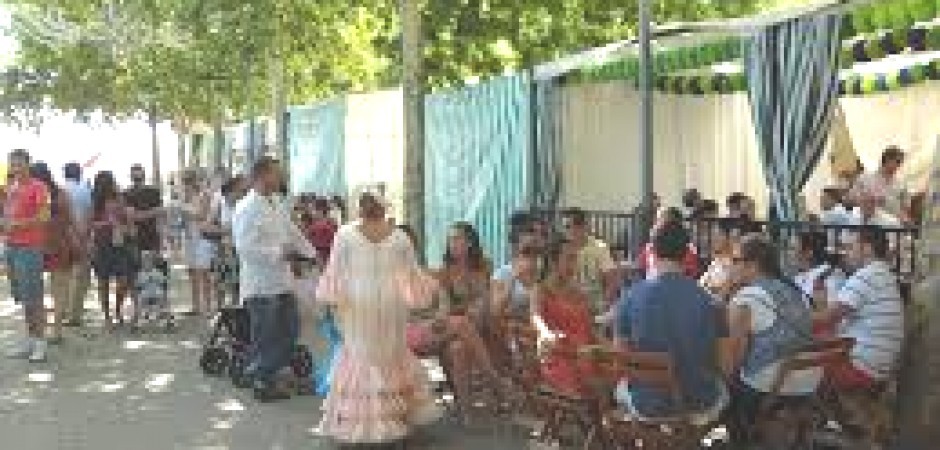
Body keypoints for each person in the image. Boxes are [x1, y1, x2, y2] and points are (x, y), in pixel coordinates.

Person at [316, 191, 441, 444]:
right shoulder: (400, 237)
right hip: (391, 303)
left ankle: (364, 424)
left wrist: (331, 304)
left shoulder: (346, 234)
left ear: (360, 209)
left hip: (358, 303)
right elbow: (412, 274)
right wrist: (426, 294)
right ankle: (394, 418)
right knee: (391, 355)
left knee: (361, 356)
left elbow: (335, 272)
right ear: (384, 209)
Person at [614, 222, 728, 424]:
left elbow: (621, 358)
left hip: (647, 404)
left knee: (620, 389)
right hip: (700, 403)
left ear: (652, 252)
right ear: (686, 254)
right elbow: (725, 365)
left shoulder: (630, 297)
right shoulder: (711, 301)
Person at [233, 157, 317, 401]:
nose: (281, 177)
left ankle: (263, 372)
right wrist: (278, 253)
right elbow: (244, 248)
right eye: (277, 173)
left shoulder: (278, 202)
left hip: (282, 281)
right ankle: (262, 380)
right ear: (263, 176)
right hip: (260, 285)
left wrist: (312, 254)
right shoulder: (246, 207)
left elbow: (293, 232)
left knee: (290, 332)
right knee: (266, 336)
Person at [726, 235, 819, 443]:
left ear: (752, 265)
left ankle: (742, 441)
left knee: (725, 394)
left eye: (734, 260)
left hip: (776, 384)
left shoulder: (747, 298)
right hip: (809, 379)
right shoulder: (793, 289)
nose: (730, 266)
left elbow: (735, 357)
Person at [814, 226, 904, 391]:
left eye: (850, 247)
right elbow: (832, 318)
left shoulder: (867, 275)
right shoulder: (883, 273)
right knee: (816, 336)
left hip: (861, 367)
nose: (846, 253)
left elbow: (828, 317)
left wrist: (794, 316)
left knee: (793, 362)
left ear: (867, 248)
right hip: (877, 365)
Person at [533, 236, 611, 396]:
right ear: (553, 262)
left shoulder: (578, 293)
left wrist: (613, 349)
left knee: (619, 373)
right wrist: (545, 333)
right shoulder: (540, 290)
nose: (574, 265)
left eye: (575, 259)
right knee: (595, 383)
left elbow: (591, 330)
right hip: (560, 357)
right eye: (569, 259)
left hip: (587, 355)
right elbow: (536, 318)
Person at [4, 149, 52, 362]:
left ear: (27, 164)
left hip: (30, 248)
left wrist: (17, 224)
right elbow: (8, 215)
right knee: (24, 297)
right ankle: (30, 340)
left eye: (19, 163)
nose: (15, 167)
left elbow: (44, 216)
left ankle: (40, 343)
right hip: (12, 247)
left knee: (34, 297)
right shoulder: (12, 188)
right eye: (12, 164)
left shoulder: (39, 187)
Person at [31, 163, 80, 344]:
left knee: (36, 291)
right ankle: (57, 331)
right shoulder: (61, 194)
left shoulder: (33, 194)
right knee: (60, 290)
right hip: (60, 245)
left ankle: (39, 329)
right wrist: (80, 240)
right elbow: (71, 220)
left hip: (36, 245)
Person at [90, 171, 135, 329]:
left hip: (119, 244)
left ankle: (118, 310)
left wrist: (125, 221)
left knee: (123, 280)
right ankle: (107, 316)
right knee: (103, 282)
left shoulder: (119, 198)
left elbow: (128, 222)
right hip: (101, 245)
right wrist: (106, 223)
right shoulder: (94, 201)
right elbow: (91, 224)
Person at [561, 207, 620, 317]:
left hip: (593, 306)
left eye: (568, 226)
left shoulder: (599, 248)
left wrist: (603, 306)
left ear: (582, 227)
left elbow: (612, 280)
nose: (566, 231)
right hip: (566, 307)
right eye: (564, 227)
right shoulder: (560, 249)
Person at [62, 162, 92, 327]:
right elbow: (89, 216)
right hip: (81, 236)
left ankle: (63, 310)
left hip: (63, 239)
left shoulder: (60, 190)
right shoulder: (84, 190)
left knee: (63, 276)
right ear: (79, 173)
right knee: (80, 277)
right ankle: (75, 314)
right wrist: (85, 238)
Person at [181, 175, 215, 315]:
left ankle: (208, 306)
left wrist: (185, 211)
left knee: (204, 272)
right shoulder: (185, 198)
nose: (186, 186)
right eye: (185, 183)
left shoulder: (204, 195)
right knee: (192, 272)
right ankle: (195, 306)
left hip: (202, 238)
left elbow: (202, 215)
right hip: (189, 238)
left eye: (188, 183)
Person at [636, 206, 700, 280]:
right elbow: (640, 266)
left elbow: (692, 273)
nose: (655, 224)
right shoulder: (648, 248)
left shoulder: (689, 251)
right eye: (656, 220)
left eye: (660, 220)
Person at [850, 146, 908, 222]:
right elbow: (851, 199)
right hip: (868, 224)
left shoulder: (901, 184)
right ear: (887, 159)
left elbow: (905, 208)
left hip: (892, 226)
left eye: (900, 162)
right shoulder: (866, 178)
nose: (899, 165)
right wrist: (867, 200)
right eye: (897, 161)